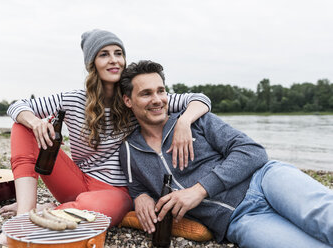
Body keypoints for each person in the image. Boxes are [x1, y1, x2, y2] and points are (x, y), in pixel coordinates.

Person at [0, 30, 212, 247]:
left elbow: (200, 99)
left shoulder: (136, 98)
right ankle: (24, 215)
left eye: (118, 53)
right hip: (76, 180)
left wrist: (183, 122)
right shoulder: (73, 100)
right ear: (92, 64)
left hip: (116, 191)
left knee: (93, 212)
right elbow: (17, 106)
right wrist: (36, 122)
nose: (114, 60)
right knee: (22, 127)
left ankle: (53, 209)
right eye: (104, 54)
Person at [119, 60, 333, 248]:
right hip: (241, 220)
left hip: (265, 182)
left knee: (327, 221)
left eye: (161, 91)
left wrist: (199, 190)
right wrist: (140, 197)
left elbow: (253, 152)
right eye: (146, 93)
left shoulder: (197, 120)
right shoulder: (128, 151)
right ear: (128, 101)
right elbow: (136, 186)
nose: (157, 99)